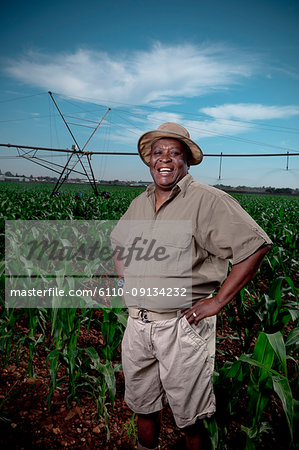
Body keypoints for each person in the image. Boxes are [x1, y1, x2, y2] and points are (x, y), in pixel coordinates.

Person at [111, 122, 272, 450]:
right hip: (138, 326)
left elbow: (255, 245)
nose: (165, 159)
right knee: (143, 406)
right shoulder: (140, 202)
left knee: (190, 418)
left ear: (186, 161)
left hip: (181, 328)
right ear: (149, 160)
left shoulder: (207, 200)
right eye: (158, 153)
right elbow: (119, 243)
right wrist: (125, 281)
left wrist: (217, 302)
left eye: (174, 153)